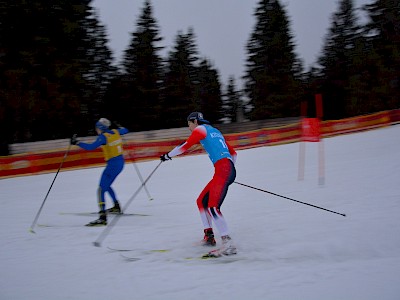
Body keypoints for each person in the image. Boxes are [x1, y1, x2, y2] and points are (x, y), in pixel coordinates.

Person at [160, 112, 237, 257]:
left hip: (223, 171)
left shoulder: (200, 129)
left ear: (195, 121)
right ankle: (209, 237)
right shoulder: (215, 131)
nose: (189, 127)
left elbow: (185, 146)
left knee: (213, 207)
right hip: (225, 170)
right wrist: (230, 170)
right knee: (202, 201)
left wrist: (167, 156)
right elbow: (233, 153)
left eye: (189, 124)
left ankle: (228, 244)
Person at [71, 118, 129, 226]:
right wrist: (119, 125)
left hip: (112, 165)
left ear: (101, 128)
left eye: (97, 128)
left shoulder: (103, 137)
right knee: (107, 185)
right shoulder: (116, 131)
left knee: (101, 189)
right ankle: (116, 207)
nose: (96, 130)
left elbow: (90, 147)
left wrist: (77, 142)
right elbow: (126, 130)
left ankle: (102, 217)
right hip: (120, 163)